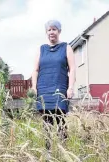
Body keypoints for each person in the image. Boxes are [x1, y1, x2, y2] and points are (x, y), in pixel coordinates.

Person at [31, 19, 76, 149]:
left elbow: (72, 69)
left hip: (59, 88)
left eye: (54, 29)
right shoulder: (41, 49)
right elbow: (35, 70)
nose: (52, 32)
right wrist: (34, 87)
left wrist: (70, 87)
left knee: (61, 120)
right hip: (44, 90)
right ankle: (48, 152)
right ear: (46, 32)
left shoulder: (66, 48)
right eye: (49, 30)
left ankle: (64, 151)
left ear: (59, 31)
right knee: (47, 122)